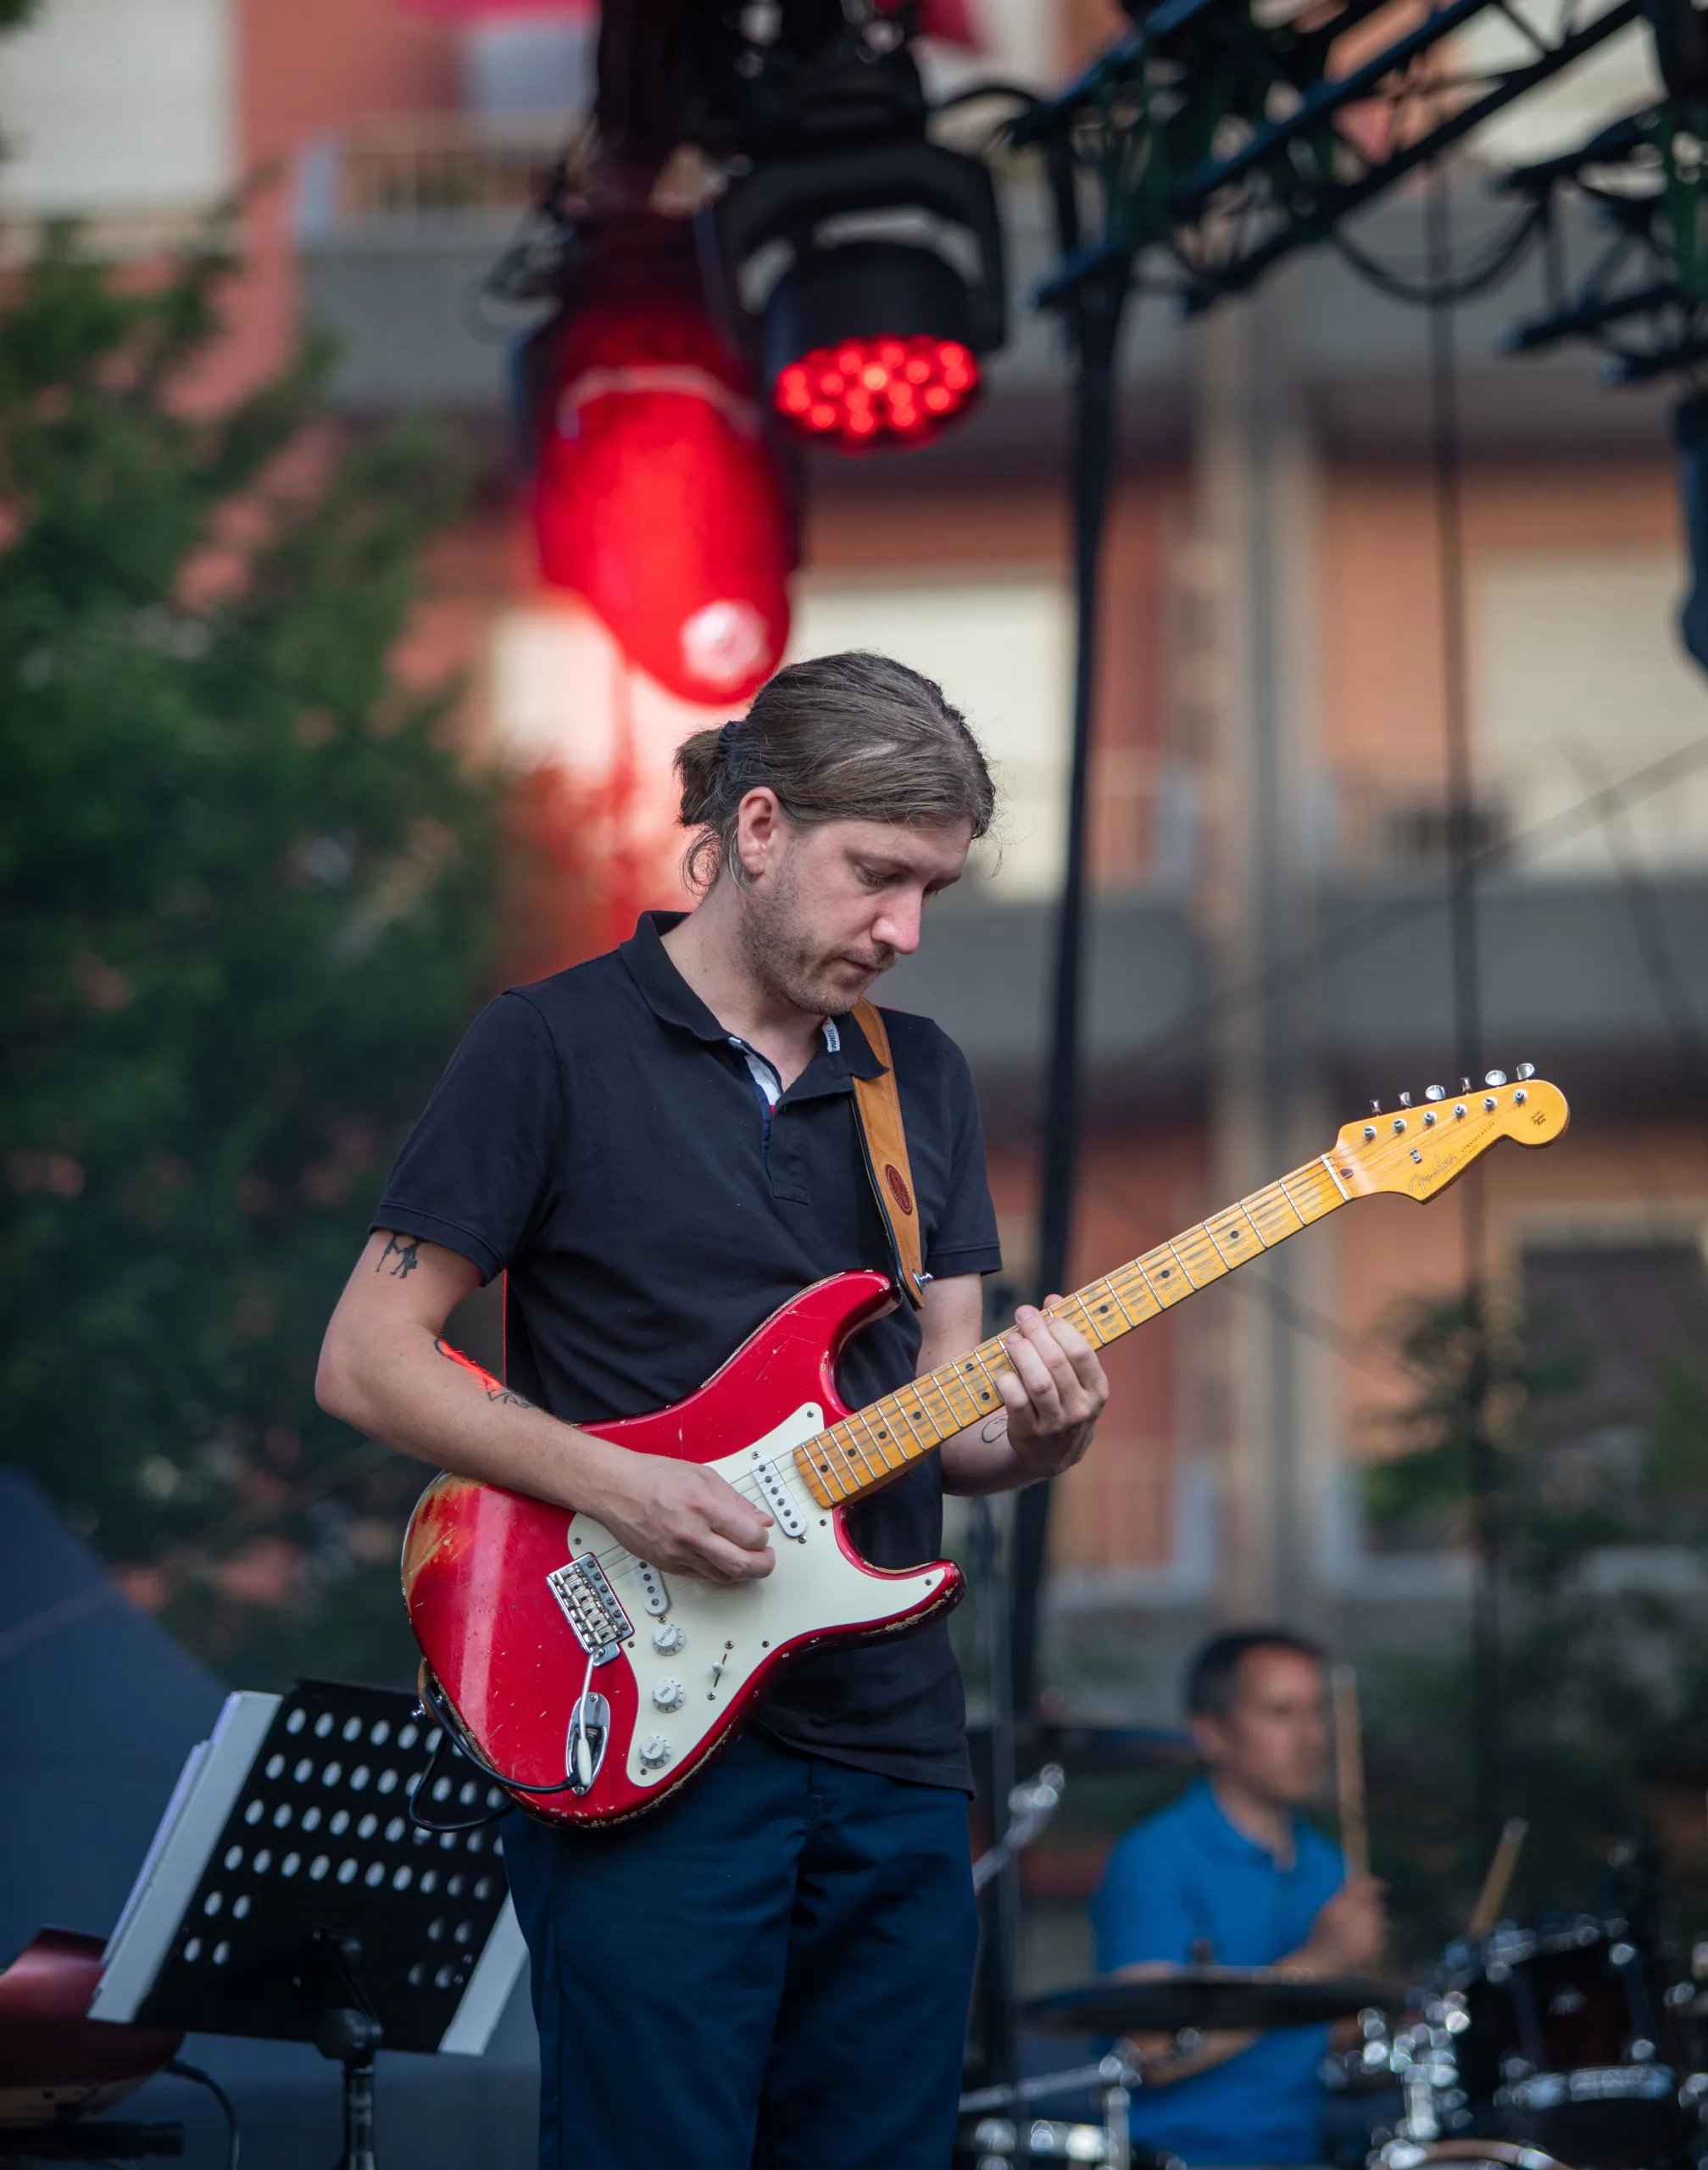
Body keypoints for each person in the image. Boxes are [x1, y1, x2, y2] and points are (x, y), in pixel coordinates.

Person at [314, 650, 1111, 2170]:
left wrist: (1044, 1434)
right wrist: (618, 1484)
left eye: (933, 890)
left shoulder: (918, 1078)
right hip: (643, 1727)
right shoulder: (550, 1044)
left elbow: (953, 1425)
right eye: (877, 876)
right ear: (756, 829)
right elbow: (369, 1357)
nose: (904, 930)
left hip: (889, 1744)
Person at [1089, 1628, 1388, 2167]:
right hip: (1178, 2157)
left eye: (1316, 1711)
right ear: (1211, 1733)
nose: (1310, 1737)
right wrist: (1319, 1962)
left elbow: (1344, 2047)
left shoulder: (1331, 1866)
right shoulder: (1155, 1856)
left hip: (1303, 2154)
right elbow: (1152, 2053)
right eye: (1281, 1713)